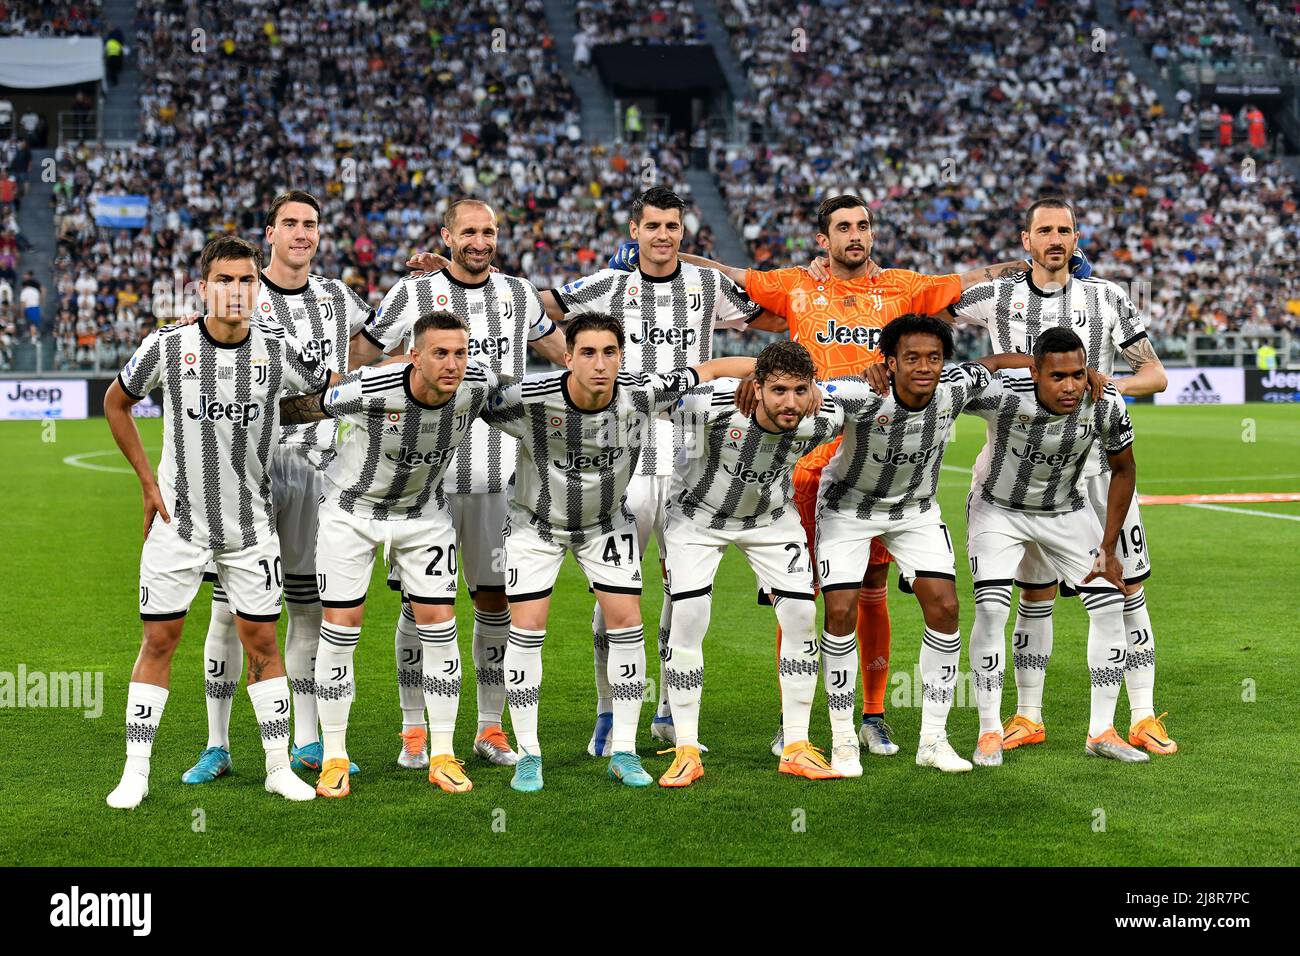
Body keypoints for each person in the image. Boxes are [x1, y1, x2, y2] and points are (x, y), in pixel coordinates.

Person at [643, 194, 1028, 762]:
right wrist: (673, 253)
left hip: (878, 459)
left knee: (872, 593)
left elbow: (965, 281)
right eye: (843, 226)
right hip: (804, 461)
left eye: (863, 226)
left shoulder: (903, 287)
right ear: (823, 238)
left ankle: (873, 715)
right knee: (798, 598)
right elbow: (731, 275)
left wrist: (1023, 269)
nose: (855, 234)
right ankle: (791, 723)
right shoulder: (793, 285)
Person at [102, 235, 334, 809]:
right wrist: (147, 483)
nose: (236, 291)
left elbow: (317, 398)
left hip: (251, 528)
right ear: (203, 287)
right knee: (160, 639)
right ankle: (136, 772)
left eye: (246, 280)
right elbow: (117, 401)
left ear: (258, 286)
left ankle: (278, 768)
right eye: (224, 281)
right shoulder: (169, 345)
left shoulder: (278, 352)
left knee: (262, 643)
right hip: (179, 525)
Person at [479, 312, 757, 792]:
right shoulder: (528, 399)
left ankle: (624, 751)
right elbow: (460, 394)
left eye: (609, 352)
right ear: (567, 358)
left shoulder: (643, 392)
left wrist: (788, 374)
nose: (600, 363)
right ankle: (529, 754)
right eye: (587, 353)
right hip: (535, 526)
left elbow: (709, 370)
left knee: (627, 623)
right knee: (526, 628)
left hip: (607, 525)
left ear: (621, 357)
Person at [541, 186, 765, 755]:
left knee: (685, 588)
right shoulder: (609, 286)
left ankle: (668, 710)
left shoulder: (707, 285)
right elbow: (542, 304)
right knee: (618, 584)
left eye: (673, 225)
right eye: (653, 225)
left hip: (693, 452)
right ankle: (609, 713)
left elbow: (768, 313)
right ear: (633, 230)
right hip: (626, 449)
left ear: (683, 231)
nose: (664, 235)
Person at [949, 196, 1176, 756]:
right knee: (1033, 592)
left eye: (1065, 230)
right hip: (1021, 470)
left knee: (1125, 587)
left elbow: (1156, 374)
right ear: (1026, 240)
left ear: (1077, 239)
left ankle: (1142, 714)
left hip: (1096, 465)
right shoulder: (996, 296)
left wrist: (1107, 385)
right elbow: (931, 307)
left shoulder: (1107, 298)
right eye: (1044, 230)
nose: (1056, 239)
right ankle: (1028, 715)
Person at [183, 190, 378, 786]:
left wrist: (434, 271)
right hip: (252, 474)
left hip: (327, 474)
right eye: (289, 223)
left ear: (319, 235)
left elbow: (374, 356)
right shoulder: (242, 291)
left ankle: (308, 741)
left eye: (310, 225)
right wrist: (316, 403)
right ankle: (217, 745)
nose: (301, 233)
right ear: (269, 233)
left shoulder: (340, 299)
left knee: (309, 609)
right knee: (229, 612)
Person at [369, 199, 566, 769]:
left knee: (493, 599)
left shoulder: (518, 294)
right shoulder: (412, 293)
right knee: (417, 603)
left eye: (489, 232)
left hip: (500, 473)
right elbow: (365, 352)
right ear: (447, 235)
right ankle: (413, 731)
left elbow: (561, 350)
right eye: (469, 232)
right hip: (423, 476)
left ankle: (489, 728)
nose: (480, 242)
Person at [279, 311, 501, 797]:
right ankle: (334, 755)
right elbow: (298, 409)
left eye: (460, 353)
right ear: (414, 355)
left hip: (423, 516)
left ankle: (442, 753)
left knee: (441, 627)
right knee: (340, 630)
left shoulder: (478, 385)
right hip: (351, 514)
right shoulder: (370, 388)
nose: (452, 364)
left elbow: (531, 405)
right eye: (440, 353)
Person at [659, 340, 844, 787]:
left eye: (801, 390)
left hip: (771, 519)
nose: (791, 402)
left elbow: (863, 393)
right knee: (688, 615)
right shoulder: (708, 406)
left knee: (802, 614)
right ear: (756, 387)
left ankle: (796, 745)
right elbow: (657, 398)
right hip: (697, 519)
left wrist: (825, 389)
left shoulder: (825, 417)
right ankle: (685, 748)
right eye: (778, 390)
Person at [962, 327, 1149, 765]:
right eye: (1058, 376)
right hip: (998, 510)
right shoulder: (1002, 394)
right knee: (992, 608)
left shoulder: (1105, 402)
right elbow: (970, 372)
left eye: (1078, 374)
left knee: (1108, 602)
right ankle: (989, 731)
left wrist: (1107, 546)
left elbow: (1124, 471)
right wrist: (998, 362)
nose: (1070, 387)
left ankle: (1101, 730)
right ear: (1034, 373)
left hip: (1065, 509)